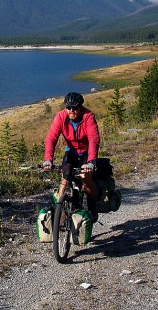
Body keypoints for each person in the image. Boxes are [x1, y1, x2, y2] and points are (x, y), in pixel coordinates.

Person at [43, 92, 101, 221]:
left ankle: (92, 205)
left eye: (75, 108)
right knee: (64, 180)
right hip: (71, 152)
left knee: (84, 176)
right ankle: (61, 216)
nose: (71, 110)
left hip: (86, 152)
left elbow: (94, 139)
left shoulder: (88, 117)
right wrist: (48, 159)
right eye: (68, 107)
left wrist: (91, 161)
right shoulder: (61, 117)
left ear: (80, 107)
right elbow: (51, 138)